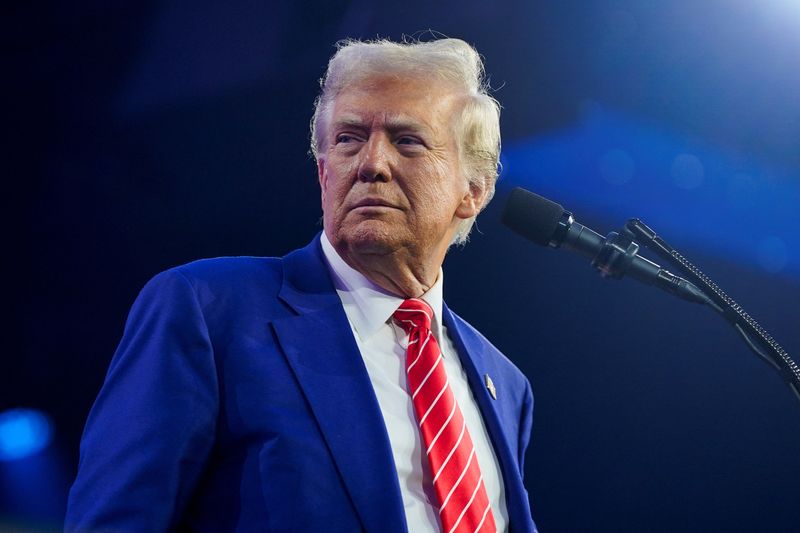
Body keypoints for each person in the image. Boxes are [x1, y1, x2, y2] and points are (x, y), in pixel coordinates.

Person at [66, 37, 538, 532]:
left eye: (407, 140)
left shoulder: (503, 383)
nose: (371, 163)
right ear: (322, 172)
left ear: (473, 191)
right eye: (348, 139)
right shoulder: (209, 307)